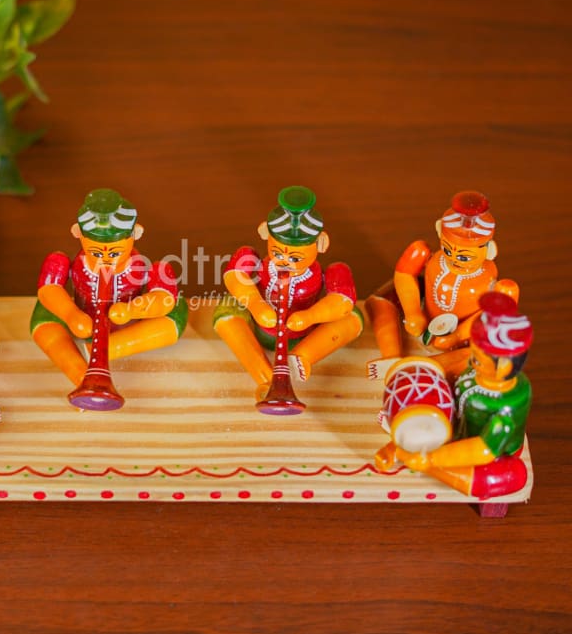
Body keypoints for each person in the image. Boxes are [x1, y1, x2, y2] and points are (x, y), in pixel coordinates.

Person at [375, 292, 532, 500]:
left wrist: (431, 459)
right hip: (454, 431)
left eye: (478, 358)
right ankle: (413, 452)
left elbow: (484, 449)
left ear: (505, 366)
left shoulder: (509, 402)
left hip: (488, 454)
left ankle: (425, 464)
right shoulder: (473, 374)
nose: (472, 359)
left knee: (515, 475)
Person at [213, 185, 362, 401]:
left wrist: (310, 316)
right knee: (227, 308)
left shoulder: (330, 271)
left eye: (295, 258)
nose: (285, 262)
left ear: (321, 243)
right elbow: (233, 275)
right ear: (265, 233)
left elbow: (344, 301)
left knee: (353, 316)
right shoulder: (254, 260)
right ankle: (267, 379)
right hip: (259, 330)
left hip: (304, 334)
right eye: (277, 253)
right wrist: (256, 304)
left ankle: (303, 356)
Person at [31, 188, 188, 387]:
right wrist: (71, 315)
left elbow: (164, 299)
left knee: (177, 308)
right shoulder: (64, 262)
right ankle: (80, 376)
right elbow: (48, 289)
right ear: (77, 233)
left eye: (114, 253)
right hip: (81, 320)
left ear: (136, 233)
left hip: (129, 327)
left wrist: (132, 310)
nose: (105, 258)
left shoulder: (146, 268)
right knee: (44, 311)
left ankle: (108, 349)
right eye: (96, 253)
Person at [367, 190, 518, 379]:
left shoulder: (490, 279)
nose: (453, 259)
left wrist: (458, 336)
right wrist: (413, 312)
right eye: (447, 250)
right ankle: (392, 357)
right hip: (422, 322)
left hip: (464, 340)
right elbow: (404, 274)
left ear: (489, 251)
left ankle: (414, 371)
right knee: (379, 301)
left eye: (464, 257)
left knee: (482, 356)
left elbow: (489, 316)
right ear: (440, 232)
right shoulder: (429, 258)